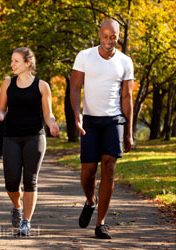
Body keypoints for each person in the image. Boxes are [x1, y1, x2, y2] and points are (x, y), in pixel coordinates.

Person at [70, 19, 134, 239]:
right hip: (89, 120)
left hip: (114, 120)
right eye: (105, 36)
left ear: (118, 36)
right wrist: (77, 115)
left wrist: (129, 132)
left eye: (113, 37)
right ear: (99, 34)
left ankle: (101, 223)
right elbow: (75, 87)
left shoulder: (126, 62)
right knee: (87, 173)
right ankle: (90, 201)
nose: (109, 41)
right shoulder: (84, 56)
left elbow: (127, 98)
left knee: (108, 166)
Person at [0, 47, 60, 236]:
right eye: (12, 60)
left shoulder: (42, 86)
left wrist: (52, 125)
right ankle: (17, 205)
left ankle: (26, 222)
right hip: (11, 136)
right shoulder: (7, 84)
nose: (12, 64)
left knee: (30, 180)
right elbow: (2, 108)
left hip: (34, 137)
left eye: (16, 61)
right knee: (11, 181)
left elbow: (48, 114)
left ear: (27, 64)